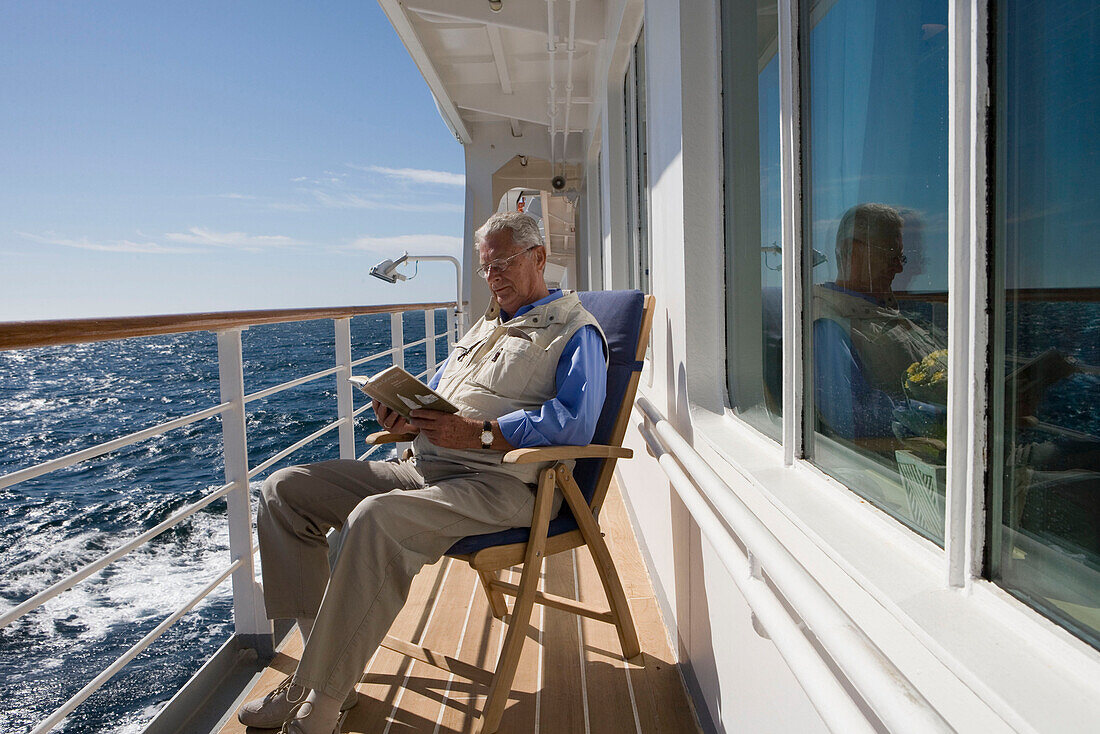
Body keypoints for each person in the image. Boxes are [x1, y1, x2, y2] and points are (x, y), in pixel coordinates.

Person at [236, 211, 607, 734]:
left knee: (374, 519)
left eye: (504, 262)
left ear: (539, 257)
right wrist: (406, 417)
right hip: (428, 466)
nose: (494, 275)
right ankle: (322, 676)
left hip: (503, 483)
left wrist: (478, 434)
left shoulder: (574, 330)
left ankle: (317, 698)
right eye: (486, 268)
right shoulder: (485, 327)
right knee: (284, 491)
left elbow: (575, 423)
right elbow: (441, 401)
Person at [812, 203, 945, 444]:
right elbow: (852, 418)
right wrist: (944, 416)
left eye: (900, 257)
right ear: (854, 252)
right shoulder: (829, 325)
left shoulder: (881, 310)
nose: (900, 267)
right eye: (891, 254)